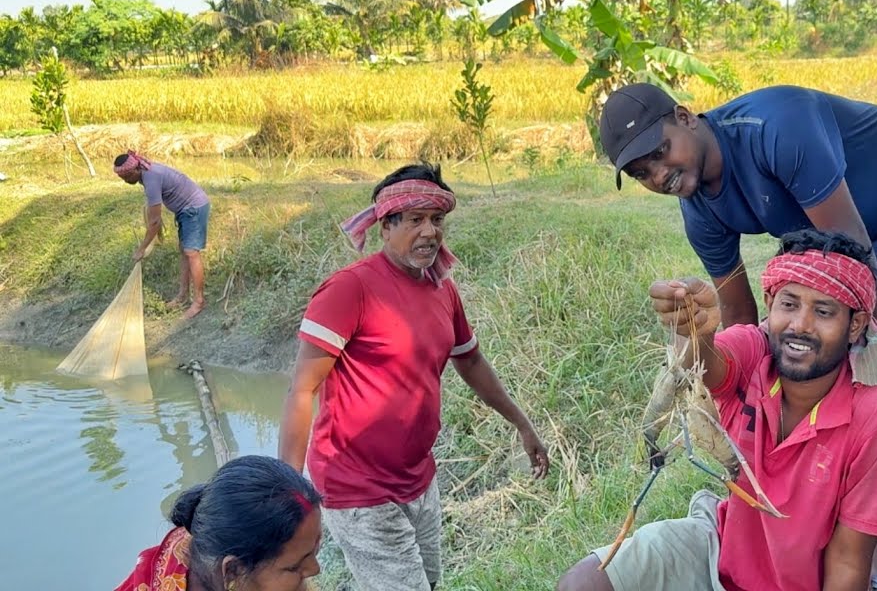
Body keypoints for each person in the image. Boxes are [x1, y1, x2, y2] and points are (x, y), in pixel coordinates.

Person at [601, 83, 877, 589]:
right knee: (802, 348)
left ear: (685, 117)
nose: (659, 175)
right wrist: (721, 375)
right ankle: (811, 504)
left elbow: (854, 254)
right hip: (829, 229)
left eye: (659, 152)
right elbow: (740, 320)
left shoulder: (776, 129)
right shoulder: (699, 208)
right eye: (641, 173)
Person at [558, 229, 877, 591]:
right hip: (721, 547)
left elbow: (847, 563)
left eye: (824, 311)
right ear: (770, 303)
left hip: (801, 582)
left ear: (855, 324)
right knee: (584, 583)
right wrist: (695, 329)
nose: (800, 326)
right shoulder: (755, 349)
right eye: (789, 304)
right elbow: (707, 363)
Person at [278, 162, 550, 591]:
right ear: (385, 226)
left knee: (429, 583)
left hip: (418, 478)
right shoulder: (350, 289)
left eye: (437, 220)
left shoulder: (442, 287)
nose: (430, 232)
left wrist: (522, 423)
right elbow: (302, 389)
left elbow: (471, 361)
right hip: (357, 487)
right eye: (415, 220)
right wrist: (287, 490)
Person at [114, 454, 323, 591]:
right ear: (233, 571)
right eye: (294, 567)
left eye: (315, 549)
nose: (315, 569)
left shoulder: (207, 540)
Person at [113, 150, 211, 319]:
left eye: (127, 177)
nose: (125, 181)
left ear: (135, 170)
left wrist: (142, 248)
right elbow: (153, 209)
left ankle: (199, 302)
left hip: (194, 208)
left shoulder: (151, 177)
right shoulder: (146, 172)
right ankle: (182, 296)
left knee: (192, 253)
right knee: (184, 252)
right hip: (184, 210)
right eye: (122, 178)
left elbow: (154, 221)